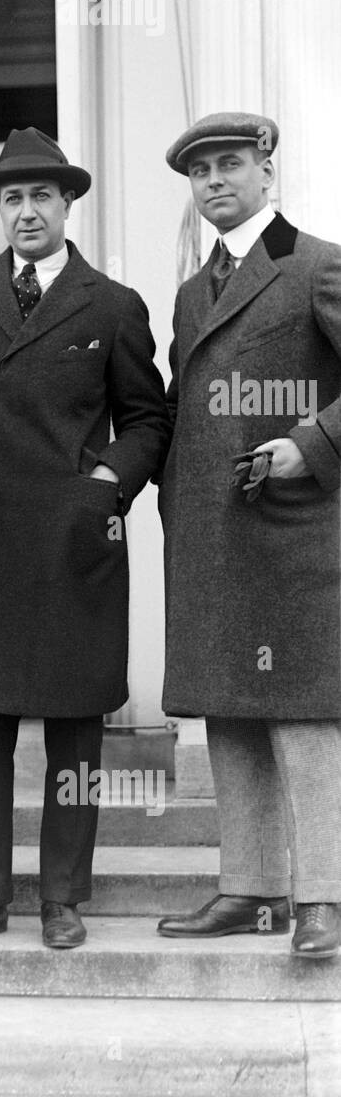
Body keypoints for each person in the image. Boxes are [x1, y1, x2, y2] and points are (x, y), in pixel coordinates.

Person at [0, 127, 170, 950]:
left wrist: (105, 485)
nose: (25, 212)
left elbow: (148, 420)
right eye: (10, 198)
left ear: (67, 205)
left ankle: (61, 895)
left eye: (40, 197)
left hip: (72, 547)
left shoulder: (111, 304)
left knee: (73, 722)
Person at [156, 113, 341, 960]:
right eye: (200, 173)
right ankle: (250, 885)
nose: (214, 182)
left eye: (229, 165)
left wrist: (310, 445)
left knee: (303, 716)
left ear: (267, 171)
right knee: (227, 712)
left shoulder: (315, 264)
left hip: (294, 532)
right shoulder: (192, 289)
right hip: (208, 532)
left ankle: (322, 899)